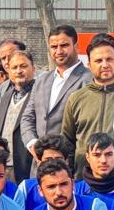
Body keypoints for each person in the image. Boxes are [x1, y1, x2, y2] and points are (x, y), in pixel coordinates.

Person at [61, 33, 114, 177]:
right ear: (89, 65)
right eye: (98, 61)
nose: (105, 65)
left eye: (109, 59)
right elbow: (67, 143)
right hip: (84, 179)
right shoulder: (76, 98)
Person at [21, 25, 91, 157]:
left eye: (64, 45)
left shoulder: (89, 79)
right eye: (54, 47)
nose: (59, 51)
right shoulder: (41, 80)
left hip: (69, 161)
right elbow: (27, 117)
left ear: (76, 46)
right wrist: (33, 144)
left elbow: (87, 126)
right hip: (40, 161)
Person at [0, 48, 37, 182]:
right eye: (14, 67)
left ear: (33, 69)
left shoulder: (40, 94)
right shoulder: (4, 96)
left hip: (27, 164)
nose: (19, 71)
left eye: (23, 66)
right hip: (4, 165)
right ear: (8, 71)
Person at [12, 134, 73, 210]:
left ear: (66, 162)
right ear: (39, 162)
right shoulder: (26, 188)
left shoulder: (80, 188)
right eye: (47, 160)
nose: (53, 164)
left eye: (58, 159)